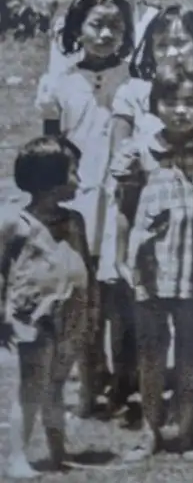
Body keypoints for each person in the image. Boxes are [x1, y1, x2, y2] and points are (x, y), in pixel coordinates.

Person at [110, 70, 193, 462]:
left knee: (190, 348)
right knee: (151, 350)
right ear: (155, 106)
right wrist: (120, 256)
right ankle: (150, 430)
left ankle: (186, 431)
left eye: (190, 103)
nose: (181, 110)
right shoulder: (140, 151)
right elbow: (124, 208)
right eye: (171, 102)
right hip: (151, 264)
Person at [34, 0, 135, 417]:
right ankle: (89, 382)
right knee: (82, 297)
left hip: (120, 202)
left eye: (115, 25)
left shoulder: (134, 80)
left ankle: (123, 385)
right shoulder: (59, 84)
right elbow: (50, 149)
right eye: (96, 24)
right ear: (78, 29)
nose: (106, 34)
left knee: (119, 297)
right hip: (78, 202)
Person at [1, 137, 90, 479]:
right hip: (33, 318)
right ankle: (17, 457)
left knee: (58, 384)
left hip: (72, 314)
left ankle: (58, 452)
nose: (79, 181)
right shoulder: (15, 223)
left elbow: (85, 269)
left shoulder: (74, 221)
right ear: (48, 181)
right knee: (32, 386)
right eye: (73, 173)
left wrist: (91, 308)